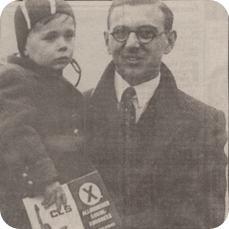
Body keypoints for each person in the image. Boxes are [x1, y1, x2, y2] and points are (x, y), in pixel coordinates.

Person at [85, 0, 228, 228]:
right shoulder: (74, 111)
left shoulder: (203, 122)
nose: (132, 44)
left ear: (169, 41)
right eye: (121, 32)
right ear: (107, 41)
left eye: (146, 33)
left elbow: (207, 213)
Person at [0, 0, 92, 228]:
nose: (63, 45)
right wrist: (46, 178)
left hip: (64, 191)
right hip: (34, 192)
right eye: (50, 38)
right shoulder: (15, 79)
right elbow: (17, 132)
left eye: (69, 36)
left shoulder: (57, 82)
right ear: (25, 47)